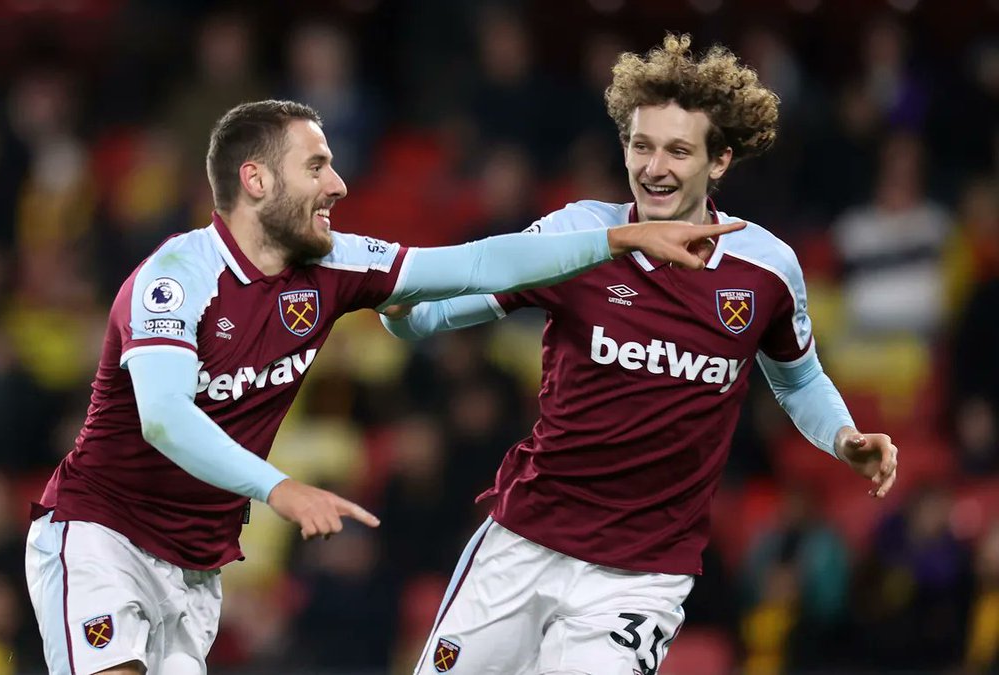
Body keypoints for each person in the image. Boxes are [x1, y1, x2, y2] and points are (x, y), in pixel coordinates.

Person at [22, 99, 739, 675]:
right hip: (102, 532)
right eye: (317, 166)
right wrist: (280, 488)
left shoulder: (334, 266)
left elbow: (478, 264)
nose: (338, 185)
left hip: (195, 565)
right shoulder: (175, 279)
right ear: (256, 180)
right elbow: (164, 418)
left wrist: (617, 241)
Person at [381, 34, 900, 675]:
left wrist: (844, 437)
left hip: (640, 578)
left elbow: (797, 380)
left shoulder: (766, 270)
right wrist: (401, 309)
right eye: (641, 145)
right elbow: (430, 318)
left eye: (678, 150)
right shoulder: (578, 235)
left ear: (719, 161)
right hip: (525, 542)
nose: (654, 166)